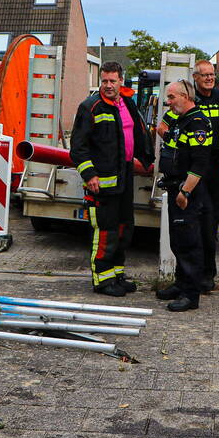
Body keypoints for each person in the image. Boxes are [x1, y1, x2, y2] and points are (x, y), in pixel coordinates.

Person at [70, 61, 154, 297]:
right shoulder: (90, 107)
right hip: (101, 181)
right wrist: (89, 175)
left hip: (124, 176)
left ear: (121, 81)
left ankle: (117, 275)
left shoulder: (127, 103)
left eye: (112, 81)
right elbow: (78, 147)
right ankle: (102, 280)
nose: (108, 85)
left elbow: (137, 132)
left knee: (124, 228)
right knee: (105, 231)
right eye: (104, 81)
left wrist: (147, 157)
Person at [157, 59, 219, 289]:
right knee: (192, 224)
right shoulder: (188, 101)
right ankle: (190, 278)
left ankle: (206, 276)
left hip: (215, 168)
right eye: (205, 75)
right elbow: (162, 127)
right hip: (195, 169)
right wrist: (180, 147)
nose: (210, 78)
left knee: (211, 222)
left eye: (212, 74)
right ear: (195, 78)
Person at [154, 80, 212, 311]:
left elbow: (200, 163)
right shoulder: (181, 119)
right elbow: (170, 139)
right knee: (178, 241)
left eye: (171, 97)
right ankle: (181, 284)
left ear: (185, 96)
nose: (168, 102)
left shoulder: (198, 123)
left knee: (189, 244)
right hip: (175, 187)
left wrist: (185, 191)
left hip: (187, 192)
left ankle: (190, 294)